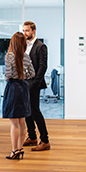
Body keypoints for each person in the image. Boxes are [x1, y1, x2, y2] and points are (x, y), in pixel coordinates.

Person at [3, 32, 35, 160]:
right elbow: (32, 73)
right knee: (22, 122)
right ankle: (20, 148)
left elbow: (7, 75)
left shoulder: (9, 56)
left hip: (13, 88)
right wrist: (24, 76)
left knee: (14, 123)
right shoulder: (26, 57)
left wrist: (12, 76)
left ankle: (14, 150)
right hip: (23, 88)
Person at [22, 21, 51, 151]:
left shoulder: (41, 46)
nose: (25, 33)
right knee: (27, 112)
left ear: (33, 31)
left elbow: (43, 67)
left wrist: (35, 83)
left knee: (35, 112)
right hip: (24, 83)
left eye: (27, 31)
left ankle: (45, 141)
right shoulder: (24, 45)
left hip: (34, 84)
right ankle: (32, 137)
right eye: (23, 30)